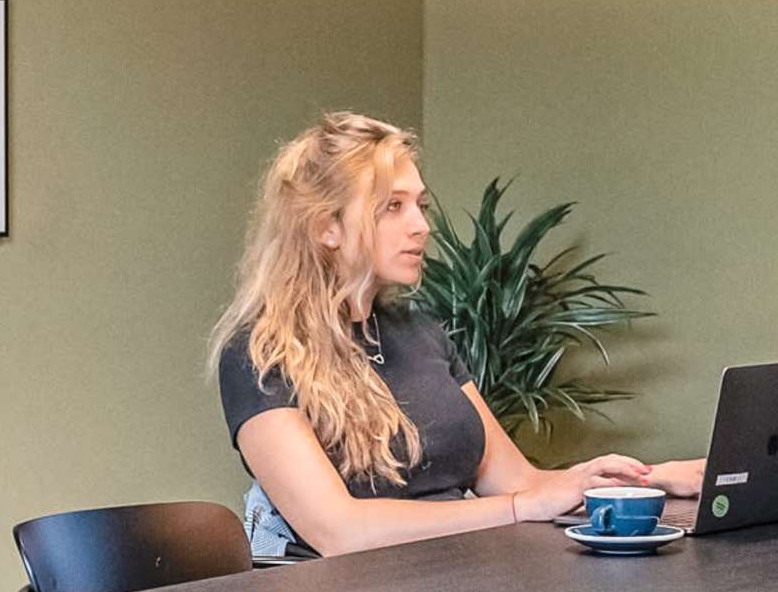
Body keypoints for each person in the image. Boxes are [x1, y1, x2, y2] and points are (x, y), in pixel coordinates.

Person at [214, 112, 696, 558]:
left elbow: (520, 483)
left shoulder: (421, 333)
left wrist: (648, 481)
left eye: (420, 205)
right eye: (393, 207)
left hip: (460, 579)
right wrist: (516, 509)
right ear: (327, 227)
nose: (421, 226)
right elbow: (340, 531)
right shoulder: (260, 355)